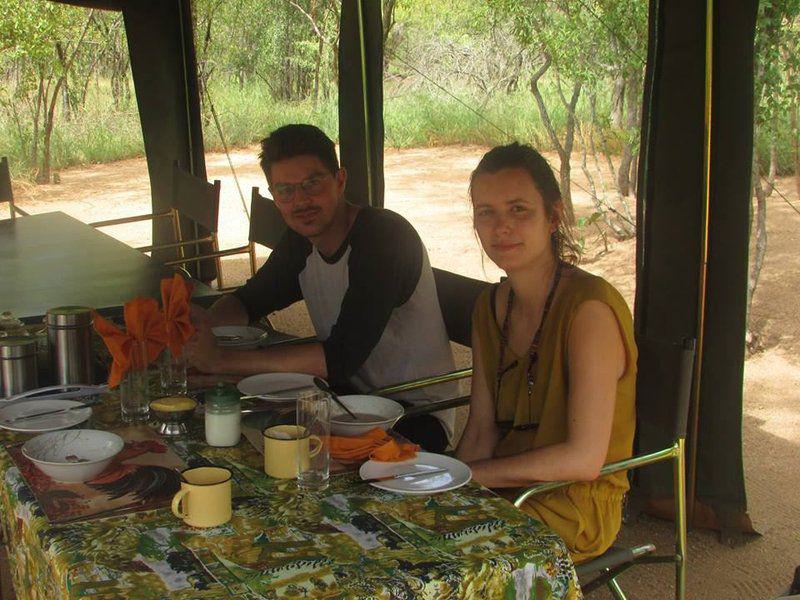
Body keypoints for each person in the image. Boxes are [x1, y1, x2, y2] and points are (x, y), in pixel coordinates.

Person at [185, 124, 455, 452]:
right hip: (342, 399)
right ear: (273, 194)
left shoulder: (382, 239)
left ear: (340, 180)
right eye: (285, 190)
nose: (300, 201)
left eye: (312, 183)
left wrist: (221, 361)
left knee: (283, 453)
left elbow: (339, 357)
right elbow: (249, 301)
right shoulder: (303, 240)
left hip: (413, 414)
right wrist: (196, 333)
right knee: (226, 425)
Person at [455, 143, 636, 563]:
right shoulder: (489, 306)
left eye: (518, 209)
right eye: (486, 212)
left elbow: (584, 459)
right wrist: (440, 488)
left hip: (573, 504)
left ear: (554, 217)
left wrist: (466, 478)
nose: (501, 227)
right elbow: (482, 430)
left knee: (449, 556)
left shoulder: (588, 310)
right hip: (502, 487)